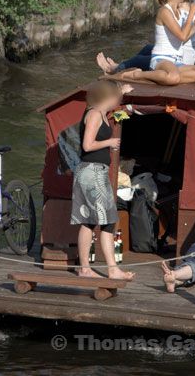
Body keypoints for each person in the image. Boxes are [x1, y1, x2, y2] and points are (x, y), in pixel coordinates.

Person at [71, 80, 135, 280]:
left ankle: (104, 269)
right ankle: (91, 269)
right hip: (92, 172)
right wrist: (110, 142)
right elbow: (87, 145)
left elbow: (112, 99)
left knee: (100, 221)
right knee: (98, 221)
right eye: (118, 96)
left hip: (95, 172)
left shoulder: (101, 112)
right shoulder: (93, 115)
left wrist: (122, 88)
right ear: (108, 96)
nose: (120, 100)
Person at [119, 0, 195, 85]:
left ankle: (164, 77)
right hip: (163, 59)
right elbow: (182, 36)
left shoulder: (179, 12)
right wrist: (191, 14)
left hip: (178, 61)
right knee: (171, 75)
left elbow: (184, 38)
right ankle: (137, 74)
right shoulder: (164, 11)